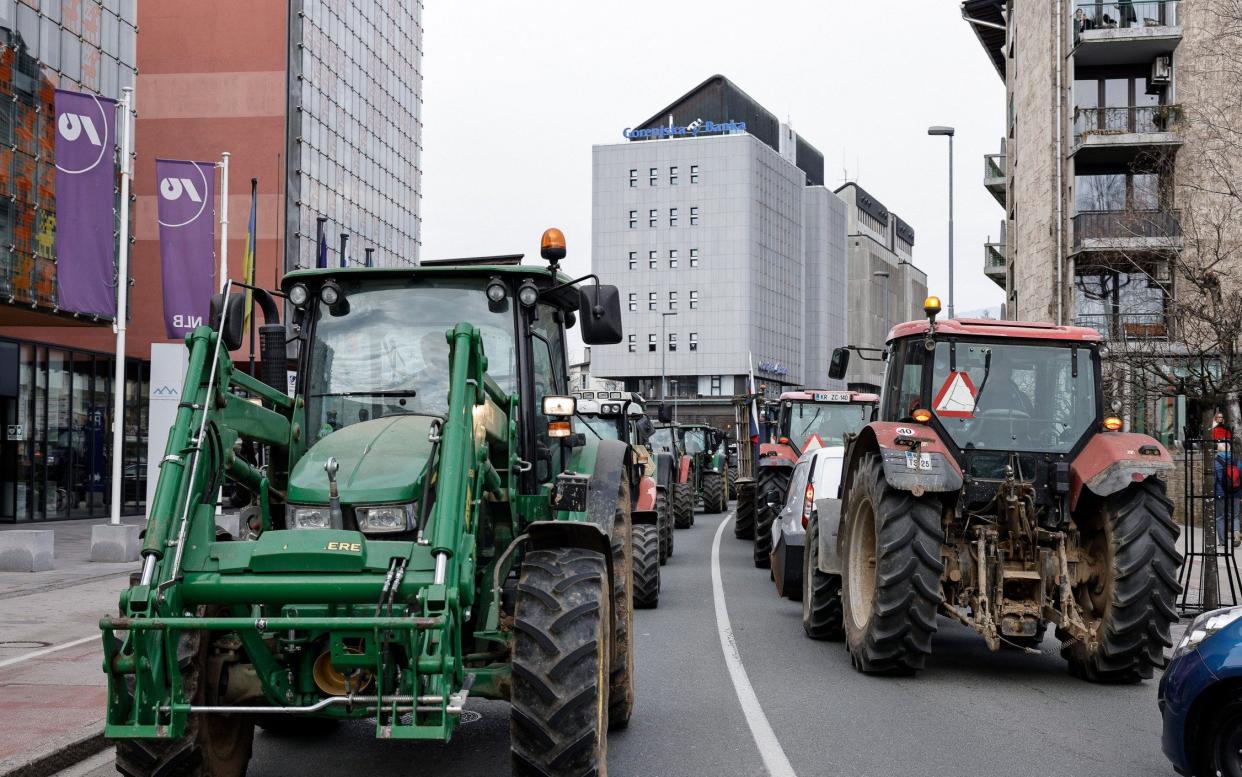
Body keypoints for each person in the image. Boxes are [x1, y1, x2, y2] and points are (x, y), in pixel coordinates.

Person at [1215, 439, 1242, 549]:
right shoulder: (1238, 461)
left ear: (1218, 450)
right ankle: (1236, 533)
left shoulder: (1216, 462)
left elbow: (1213, 480)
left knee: (1220, 517)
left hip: (1220, 494)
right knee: (1234, 516)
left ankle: (1223, 541)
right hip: (1235, 493)